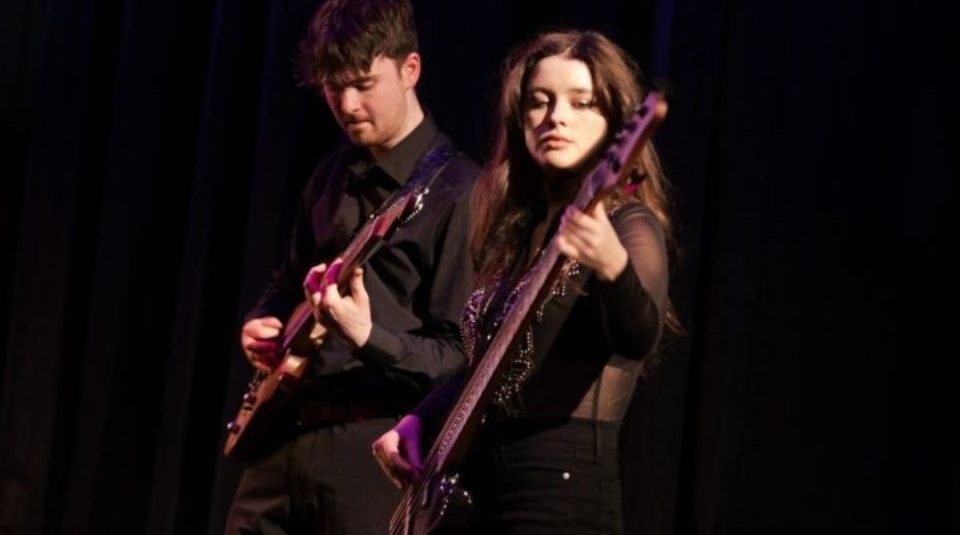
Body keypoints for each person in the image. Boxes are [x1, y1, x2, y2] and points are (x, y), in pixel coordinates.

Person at [372, 30, 680, 534]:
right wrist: (419, 420)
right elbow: (487, 367)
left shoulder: (628, 225)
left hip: (558, 487)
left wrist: (611, 265)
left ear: (615, 126)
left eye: (582, 103)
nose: (555, 117)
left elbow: (638, 336)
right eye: (539, 102)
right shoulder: (522, 231)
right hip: (484, 481)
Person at [224, 0, 479, 533]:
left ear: (411, 69)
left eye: (363, 83)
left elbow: (459, 359)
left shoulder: (460, 193)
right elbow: (286, 283)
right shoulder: (329, 176)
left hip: (373, 449)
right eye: (333, 86)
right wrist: (264, 324)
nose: (346, 103)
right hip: (284, 438)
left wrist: (369, 336)